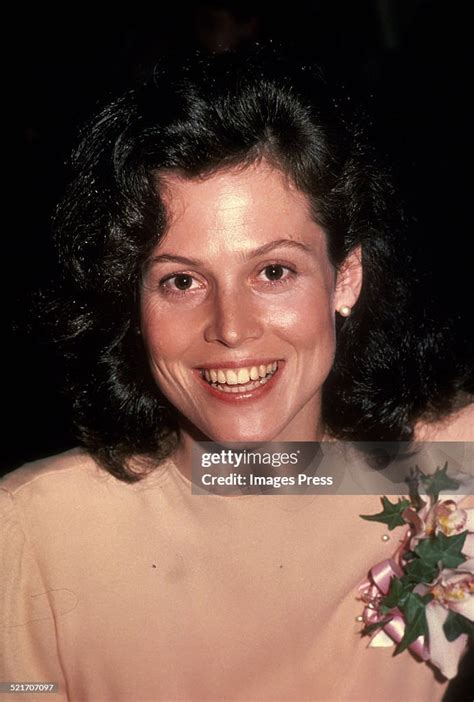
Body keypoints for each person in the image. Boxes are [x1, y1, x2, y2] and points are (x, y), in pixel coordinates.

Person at [1, 45, 472, 701]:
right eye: (182, 280)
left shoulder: (452, 474)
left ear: (347, 278)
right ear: (132, 301)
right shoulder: (36, 535)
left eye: (273, 271)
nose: (230, 327)